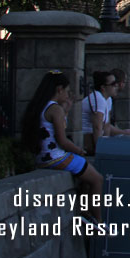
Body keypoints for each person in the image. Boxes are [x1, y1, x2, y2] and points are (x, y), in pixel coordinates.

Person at [21, 71, 104, 222]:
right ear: (59, 89)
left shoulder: (41, 106)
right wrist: (79, 151)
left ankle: (84, 211)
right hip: (56, 158)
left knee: (86, 174)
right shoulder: (55, 109)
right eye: (66, 91)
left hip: (43, 157)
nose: (67, 95)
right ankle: (97, 221)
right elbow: (62, 140)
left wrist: (66, 110)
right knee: (97, 179)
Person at [82, 70, 130, 154]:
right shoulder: (98, 98)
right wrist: (101, 151)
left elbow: (106, 125)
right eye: (113, 84)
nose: (117, 86)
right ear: (103, 87)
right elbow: (97, 127)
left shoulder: (107, 99)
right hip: (87, 141)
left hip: (95, 139)